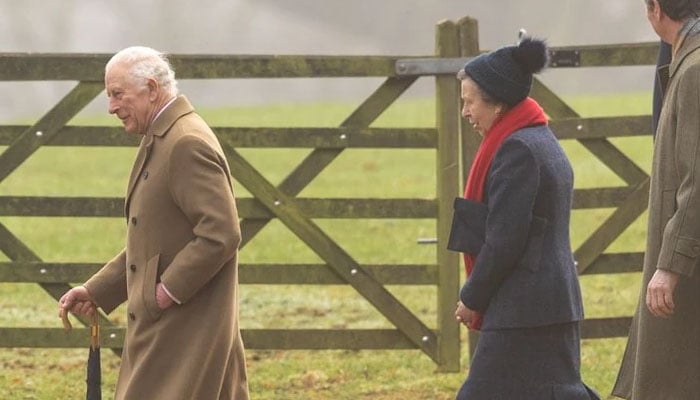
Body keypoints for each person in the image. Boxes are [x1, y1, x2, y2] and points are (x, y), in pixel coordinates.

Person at [57, 46, 250, 400]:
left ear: (151, 88)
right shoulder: (163, 136)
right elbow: (153, 237)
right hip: (177, 327)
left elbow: (221, 232)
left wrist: (164, 293)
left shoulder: (184, 143)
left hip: (184, 327)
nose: (111, 107)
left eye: (117, 94)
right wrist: (100, 290)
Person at [448, 36, 599, 399]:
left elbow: (504, 240)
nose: (465, 112)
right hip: (546, 304)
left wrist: (472, 298)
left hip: (526, 310)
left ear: (497, 103)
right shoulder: (539, 138)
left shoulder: (518, 150)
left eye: (470, 102)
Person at [613, 1, 700, 399]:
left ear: (656, 10)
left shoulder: (696, 71)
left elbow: (696, 181)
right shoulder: (686, 63)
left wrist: (669, 265)